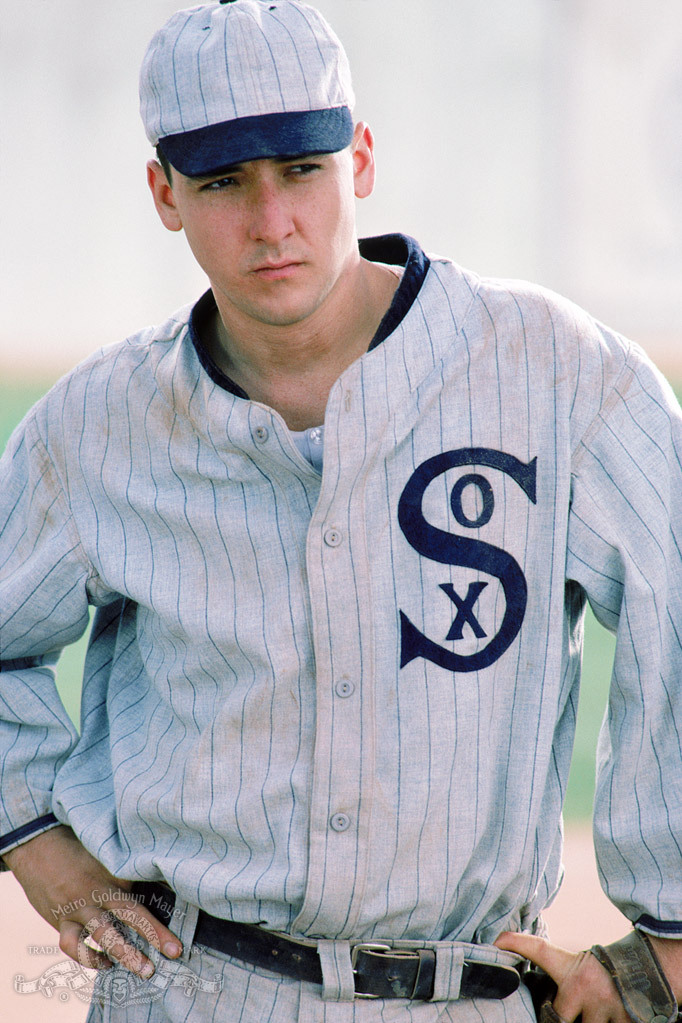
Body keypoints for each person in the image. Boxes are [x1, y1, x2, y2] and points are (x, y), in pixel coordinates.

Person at [1, 2, 681, 1020]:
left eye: (301, 170)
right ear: (163, 193)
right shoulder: (95, 429)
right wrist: (32, 842)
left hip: (464, 992)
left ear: (359, 159)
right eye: (223, 181)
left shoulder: (556, 373)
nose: (271, 222)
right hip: (189, 990)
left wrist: (666, 942)